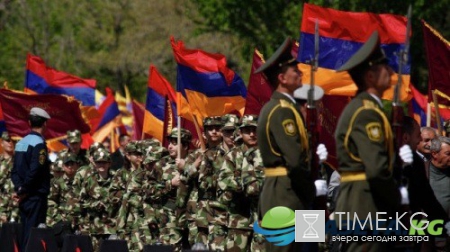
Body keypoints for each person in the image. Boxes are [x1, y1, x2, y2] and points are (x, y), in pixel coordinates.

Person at [334, 31, 412, 251]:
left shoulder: (369, 109)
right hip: (364, 202)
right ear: (370, 77)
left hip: (366, 199)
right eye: (384, 67)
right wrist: (397, 198)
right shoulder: (366, 112)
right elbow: (377, 169)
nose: (390, 71)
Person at [255, 37, 315, 252]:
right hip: (288, 194)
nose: (300, 74)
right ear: (282, 78)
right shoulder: (282, 110)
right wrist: (312, 191)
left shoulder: (286, 107)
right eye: (295, 71)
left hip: (293, 192)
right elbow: (295, 161)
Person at [401, 117, 450, 251]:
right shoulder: (384, 162)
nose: (419, 141)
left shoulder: (416, 162)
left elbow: (428, 199)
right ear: (405, 137)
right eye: (418, 136)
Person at [11, 107, 52, 250]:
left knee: (25, 230)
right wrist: (25, 189)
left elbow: (15, 170)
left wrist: (20, 188)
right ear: (45, 124)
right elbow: (36, 170)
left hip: (24, 195)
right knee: (34, 233)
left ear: (29, 122)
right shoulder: (39, 144)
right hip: (35, 195)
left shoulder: (20, 143)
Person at [0, 131, 18, 224]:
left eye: (12, 141)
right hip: (2, 206)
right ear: (2, 143)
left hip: (17, 207)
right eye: (7, 140)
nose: (10, 143)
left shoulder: (20, 161)